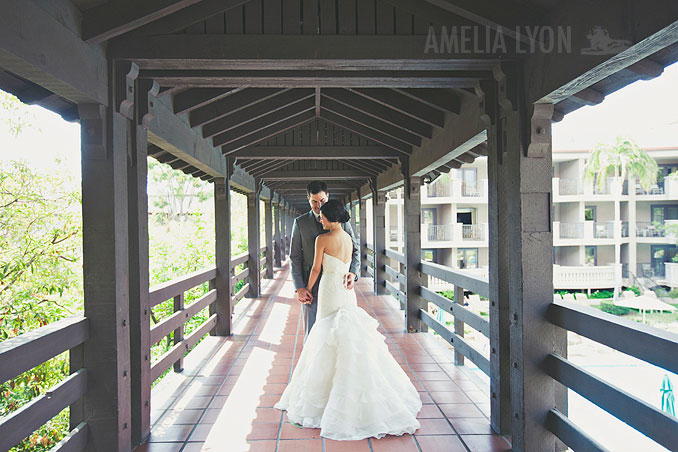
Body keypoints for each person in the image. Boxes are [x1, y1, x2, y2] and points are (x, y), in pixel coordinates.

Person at [274, 200, 422, 441]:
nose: (319, 219)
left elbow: (314, 269)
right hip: (346, 288)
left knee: (325, 334)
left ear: (330, 217)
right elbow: (350, 263)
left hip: (330, 288)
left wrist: (307, 290)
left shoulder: (322, 239)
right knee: (346, 335)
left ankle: (325, 395)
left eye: (322, 216)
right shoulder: (348, 239)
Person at [290, 181, 360, 341]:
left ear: (327, 197)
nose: (318, 205)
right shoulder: (300, 223)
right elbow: (295, 257)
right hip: (311, 288)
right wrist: (300, 287)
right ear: (308, 199)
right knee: (313, 334)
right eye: (314, 201)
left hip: (339, 285)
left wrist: (353, 273)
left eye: (322, 201)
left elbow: (355, 249)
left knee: (341, 333)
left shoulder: (342, 221)